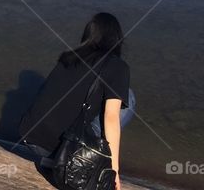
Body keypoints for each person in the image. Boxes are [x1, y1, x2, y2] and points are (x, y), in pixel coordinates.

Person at [18, 13, 134, 189]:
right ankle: (73, 159)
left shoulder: (67, 58)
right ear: (116, 38)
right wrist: (113, 171)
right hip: (65, 148)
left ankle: (51, 161)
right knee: (129, 99)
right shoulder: (118, 66)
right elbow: (111, 118)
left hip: (30, 141)